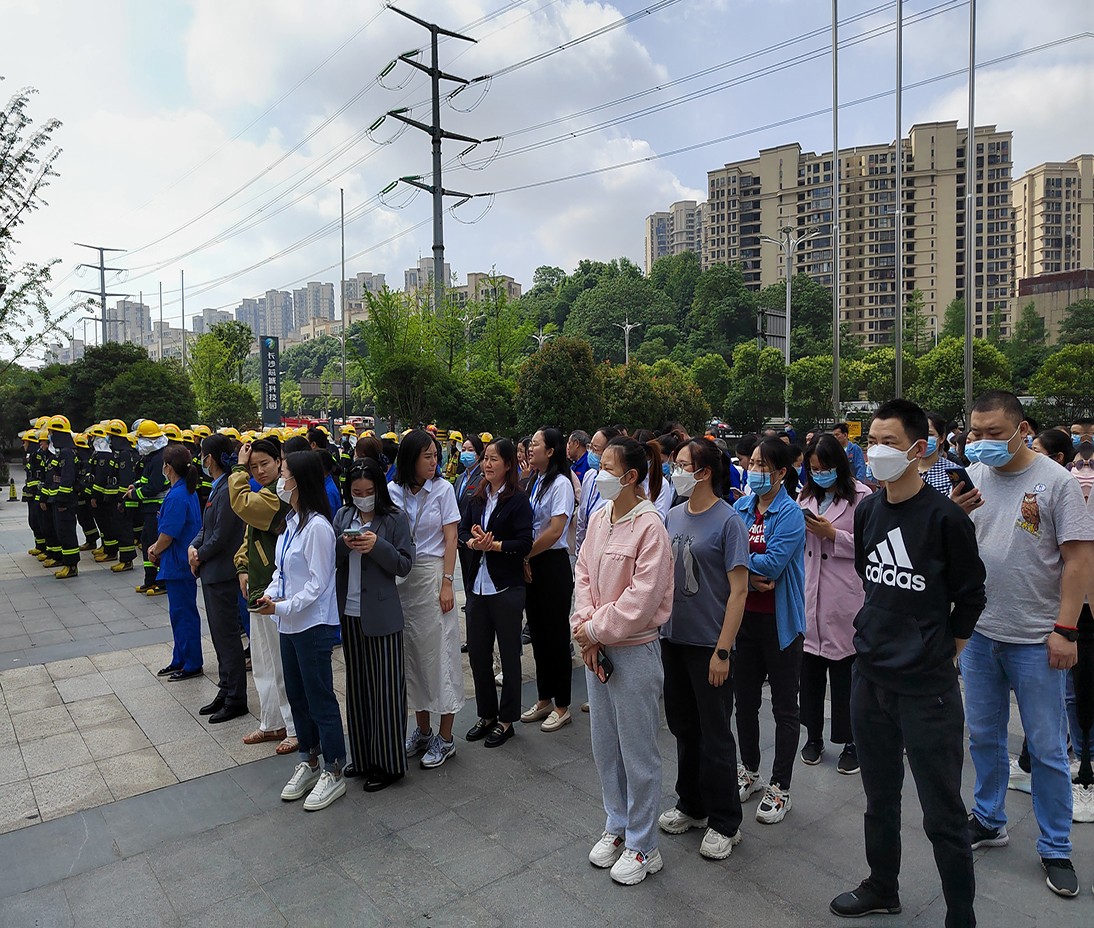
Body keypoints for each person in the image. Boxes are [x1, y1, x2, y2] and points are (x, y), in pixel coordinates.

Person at [830, 399, 985, 926]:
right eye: (872, 440)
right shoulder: (870, 509)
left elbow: (971, 596)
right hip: (869, 676)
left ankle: (960, 912)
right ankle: (882, 885)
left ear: (920, 450)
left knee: (942, 810)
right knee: (879, 797)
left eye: (890, 442)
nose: (877, 451)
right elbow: (872, 582)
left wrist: (946, 650)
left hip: (928, 689)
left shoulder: (944, 519)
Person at [951, 391, 1094, 899]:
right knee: (983, 736)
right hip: (981, 634)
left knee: (1049, 749)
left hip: (1037, 638)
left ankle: (1056, 847)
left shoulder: (1056, 483)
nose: (982, 443)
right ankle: (989, 819)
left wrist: (1066, 629)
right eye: (975, 433)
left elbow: (1078, 560)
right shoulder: (974, 479)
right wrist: (951, 513)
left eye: (993, 433)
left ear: (1021, 428)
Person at [573, 436, 673, 885]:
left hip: (634, 651)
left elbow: (642, 599)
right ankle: (617, 825)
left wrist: (592, 629)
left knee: (638, 752)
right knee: (606, 747)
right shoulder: (598, 518)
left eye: (608, 466)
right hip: (598, 650)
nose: (600, 470)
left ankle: (643, 844)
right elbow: (584, 574)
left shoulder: (650, 526)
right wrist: (587, 628)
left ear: (630, 476)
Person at [658, 437, 750, 861]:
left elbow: (738, 592)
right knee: (683, 727)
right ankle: (691, 805)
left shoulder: (728, 521)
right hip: (673, 639)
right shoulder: (673, 515)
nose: (673, 471)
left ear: (704, 472)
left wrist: (723, 651)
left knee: (715, 734)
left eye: (681, 464)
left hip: (709, 645)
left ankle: (725, 821)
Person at [253, 451, 345, 812]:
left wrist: (283, 606)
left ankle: (334, 768)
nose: (279, 479)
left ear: (299, 481)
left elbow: (318, 585)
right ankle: (309, 759)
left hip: (312, 625)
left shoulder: (319, 527)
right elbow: (282, 572)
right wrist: (271, 594)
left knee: (320, 697)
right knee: (297, 694)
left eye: (284, 473)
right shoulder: (291, 522)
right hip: (288, 624)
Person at [732, 437, 806, 824]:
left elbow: (775, 564)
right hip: (743, 621)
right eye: (753, 463)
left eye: (763, 465)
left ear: (781, 472)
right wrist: (750, 572)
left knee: (783, 708)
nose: (755, 470)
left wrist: (745, 567)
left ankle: (781, 786)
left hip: (780, 625)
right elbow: (725, 555)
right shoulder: (741, 508)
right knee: (743, 702)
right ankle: (750, 771)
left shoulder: (791, 515)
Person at [334, 459, 414, 791]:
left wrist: (376, 545)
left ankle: (389, 763)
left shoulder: (394, 518)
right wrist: (344, 544)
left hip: (383, 614)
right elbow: (329, 557)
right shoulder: (342, 516)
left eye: (369, 492)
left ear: (379, 489)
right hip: (350, 612)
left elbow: (405, 564)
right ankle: (364, 756)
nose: (363, 497)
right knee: (358, 688)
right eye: (357, 492)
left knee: (386, 691)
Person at [389, 430, 464, 770]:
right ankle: (421, 730)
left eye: (436, 456)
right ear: (410, 459)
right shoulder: (393, 491)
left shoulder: (444, 490)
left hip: (434, 576)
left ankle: (445, 737)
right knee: (413, 657)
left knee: (441, 656)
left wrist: (447, 583)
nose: (435, 462)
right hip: (403, 580)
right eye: (427, 457)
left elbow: (451, 540)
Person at [797, 434, 870, 774]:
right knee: (810, 676)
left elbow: (871, 545)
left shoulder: (862, 496)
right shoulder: (805, 495)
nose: (819, 474)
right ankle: (813, 736)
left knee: (846, 678)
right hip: (810, 594)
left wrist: (833, 536)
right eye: (813, 469)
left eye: (825, 468)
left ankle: (853, 741)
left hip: (844, 596)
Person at [459, 438, 534, 749]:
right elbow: (462, 531)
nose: (487, 464)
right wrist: (473, 541)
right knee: (478, 653)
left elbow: (524, 543)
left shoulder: (517, 500)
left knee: (509, 654)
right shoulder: (476, 497)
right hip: (477, 585)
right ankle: (487, 713)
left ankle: (506, 720)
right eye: (485, 458)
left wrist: (497, 545)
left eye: (494, 459)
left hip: (505, 586)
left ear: (507, 465)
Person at [231, 438, 297, 754]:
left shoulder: (278, 495)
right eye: (253, 466)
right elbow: (248, 534)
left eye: (264, 464)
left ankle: (296, 727)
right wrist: (242, 565)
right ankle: (272, 723)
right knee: (262, 662)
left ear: (278, 461)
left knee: (282, 663)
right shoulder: (264, 494)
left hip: (277, 593)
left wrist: (238, 470)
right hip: (258, 589)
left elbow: (241, 504)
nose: (259, 471)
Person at [188, 434, 248, 724]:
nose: (200, 460)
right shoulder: (217, 488)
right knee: (220, 638)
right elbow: (206, 528)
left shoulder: (227, 490)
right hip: (212, 571)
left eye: (202, 454)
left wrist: (199, 555)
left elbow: (222, 536)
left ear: (209, 458)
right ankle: (225, 690)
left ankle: (236, 697)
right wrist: (193, 546)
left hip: (222, 572)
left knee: (227, 639)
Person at [521, 427, 577, 733]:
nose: (530, 448)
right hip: (532, 561)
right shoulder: (535, 480)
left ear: (551, 451)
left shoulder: (561, 484)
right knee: (539, 634)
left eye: (535, 444)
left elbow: (556, 530)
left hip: (552, 564)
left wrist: (526, 554)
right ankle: (544, 698)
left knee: (556, 636)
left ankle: (562, 705)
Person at [148, 445, 204, 682]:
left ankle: (191, 663)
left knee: (183, 614)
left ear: (168, 468)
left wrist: (154, 549)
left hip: (179, 563)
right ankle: (180, 658)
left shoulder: (178, 495)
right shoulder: (184, 491)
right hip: (179, 562)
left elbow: (169, 533)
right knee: (179, 614)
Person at [131, 420, 170, 595]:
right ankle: (150, 579)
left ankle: (161, 583)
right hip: (149, 510)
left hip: (157, 508)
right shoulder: (152, 458)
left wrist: (134, 494)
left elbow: (154, 486)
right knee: (148, 543)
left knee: (157, 545)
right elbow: (147, 481)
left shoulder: (159, 458)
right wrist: (136, 485)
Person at [574, 427, 620, 556]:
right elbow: (582, 518)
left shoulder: (617, 483)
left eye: (596, 450)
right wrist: (579, 551)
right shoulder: (590, 475)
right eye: (590, 447)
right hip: (585, 551)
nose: (591, 453)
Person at [918, 411, 963, 494]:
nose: (923, 439)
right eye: (918, 434)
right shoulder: (903, 468)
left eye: (929, 434)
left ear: (942, 438)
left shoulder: (953, 472)